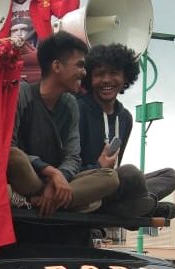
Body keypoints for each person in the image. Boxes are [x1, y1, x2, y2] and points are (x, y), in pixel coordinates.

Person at [8, 32, 119, 217]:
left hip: (59, 184)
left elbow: (72, 157)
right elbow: (8, 149)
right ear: (57, 66)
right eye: (79, 65)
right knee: (14, 157)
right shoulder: (22, 94)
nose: (84, 72)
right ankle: (71, 202)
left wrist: (54, 183)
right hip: (29, 179)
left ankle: (35, 202)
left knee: (110, 177)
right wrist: (50, 172)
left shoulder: (70, 104)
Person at [77, 43, 175, 219]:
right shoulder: (78, 108)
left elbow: (118, 165)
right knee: (130, 173)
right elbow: (68, 164)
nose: (107, 80)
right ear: (89, 79)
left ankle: (140, 205)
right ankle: (143, 207)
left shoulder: (125, 118)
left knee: (170, 175)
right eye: (99, 74)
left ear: (125, 78)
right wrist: (98, 167)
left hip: (115, 186)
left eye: (114, 73)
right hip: (87, 184)